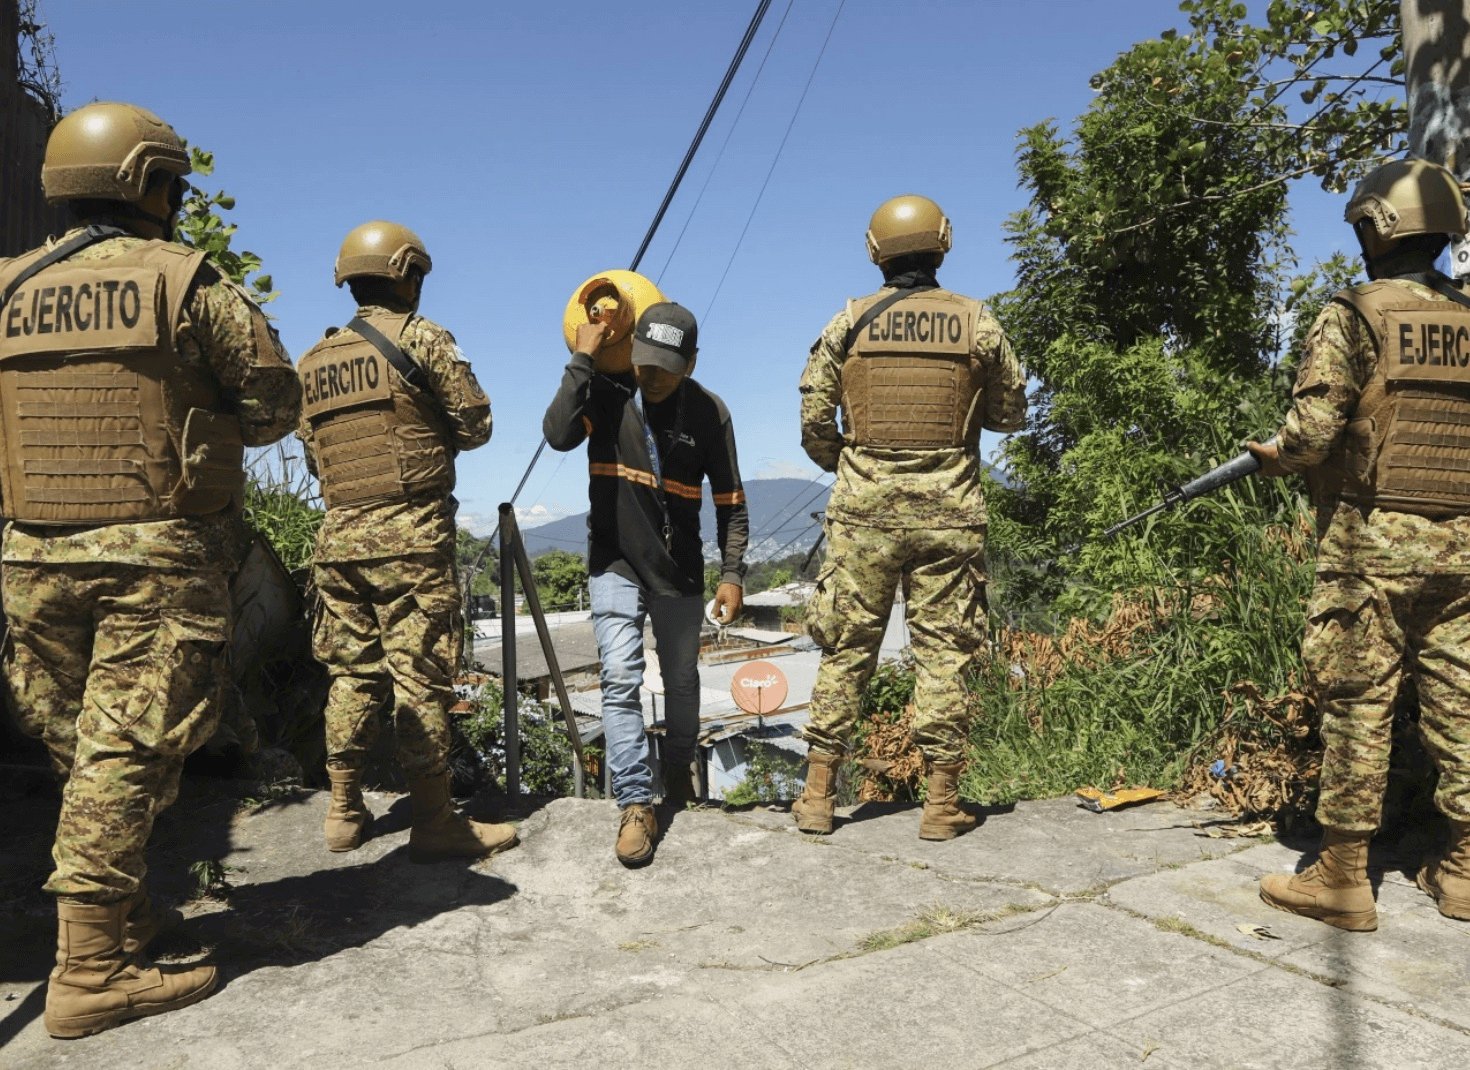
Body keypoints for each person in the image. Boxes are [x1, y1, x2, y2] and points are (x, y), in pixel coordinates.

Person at [0, 101, 301, 1036]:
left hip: (30, 553)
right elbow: (273, 404)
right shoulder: (185, 281)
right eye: (170, 182)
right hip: (152, 560)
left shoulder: (8, 288)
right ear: (145, 183)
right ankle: (89, 973)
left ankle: (121, 915)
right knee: (123, 757)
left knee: (83, 754)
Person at [1250, 159, 1470, 931]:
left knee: (1358, 702)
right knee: (1463, 700)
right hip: (1465, 547)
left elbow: (1312, 435)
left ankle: (1342, 879)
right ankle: (1466, 871)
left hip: (1370, 540)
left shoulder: (1353, 313)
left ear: (1376, 227)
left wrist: (1278, 453)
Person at [793, 194, 1025, 840]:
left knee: (845, 650)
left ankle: (817, 798)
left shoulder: (848, 322)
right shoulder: (977, 323)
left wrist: (850, 464)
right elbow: (1010, 413)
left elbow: (814, 417)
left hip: (864, 515)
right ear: (943, 243)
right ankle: (941, 803)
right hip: (950, 513)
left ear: (875, 250)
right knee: (945, 655)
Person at [297, 221, 517, 862]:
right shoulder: (422, 339)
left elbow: (313, 456)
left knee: (351, 675)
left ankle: (342, 810)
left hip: (338, 541)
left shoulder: (314, 361)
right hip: (412, 541)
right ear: (408, 274)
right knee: (419, 677)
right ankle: (434, 820)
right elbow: (475, 425)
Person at [543, 301, 748, 866]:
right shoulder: (607, 393)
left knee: (682, 679)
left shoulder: (710, 413)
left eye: (665, 365)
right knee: (619, 676)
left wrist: (732, 575)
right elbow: (557, 433)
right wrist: (583, 357)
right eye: (643, 360)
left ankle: (680, 773)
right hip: (614, 561)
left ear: (691, 362)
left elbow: (731, 504)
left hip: (679, 569)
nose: (651, 374)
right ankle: (635, 802)